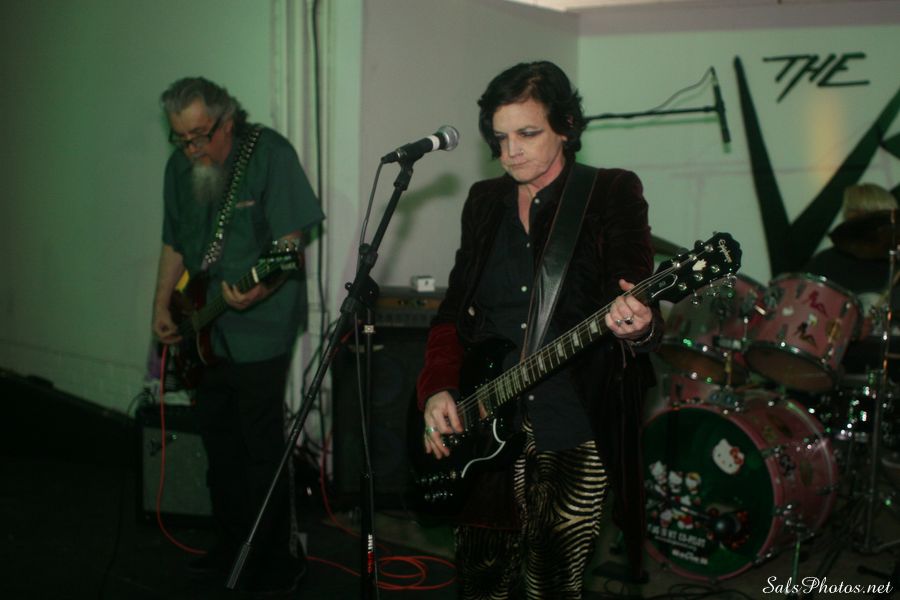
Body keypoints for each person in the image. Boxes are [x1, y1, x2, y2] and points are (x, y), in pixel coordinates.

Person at [415, 61, 663, 598]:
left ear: (566, 127)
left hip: (572, 422)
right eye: (500, 138)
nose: (511, 152)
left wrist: (638, 323)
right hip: (483, 417)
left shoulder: (609, 192)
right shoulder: (484, 201)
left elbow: (635, 292)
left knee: (553, 583)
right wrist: (437, 387)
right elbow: (453, 313)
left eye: (527, 134)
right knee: (480, 580)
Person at [151, 77, 324, 594]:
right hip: (204, 327)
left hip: (262, 328)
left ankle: (276, 558)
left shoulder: (269, 155)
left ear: (227, 123)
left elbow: (289, 244)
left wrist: (261, 288)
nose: (191, 148)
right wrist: (160, 303)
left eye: (200, 136)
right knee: (219, 443)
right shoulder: (178, 168)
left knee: (260, 446)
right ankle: (230, 545)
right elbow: (174, 242)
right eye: (181, 138)